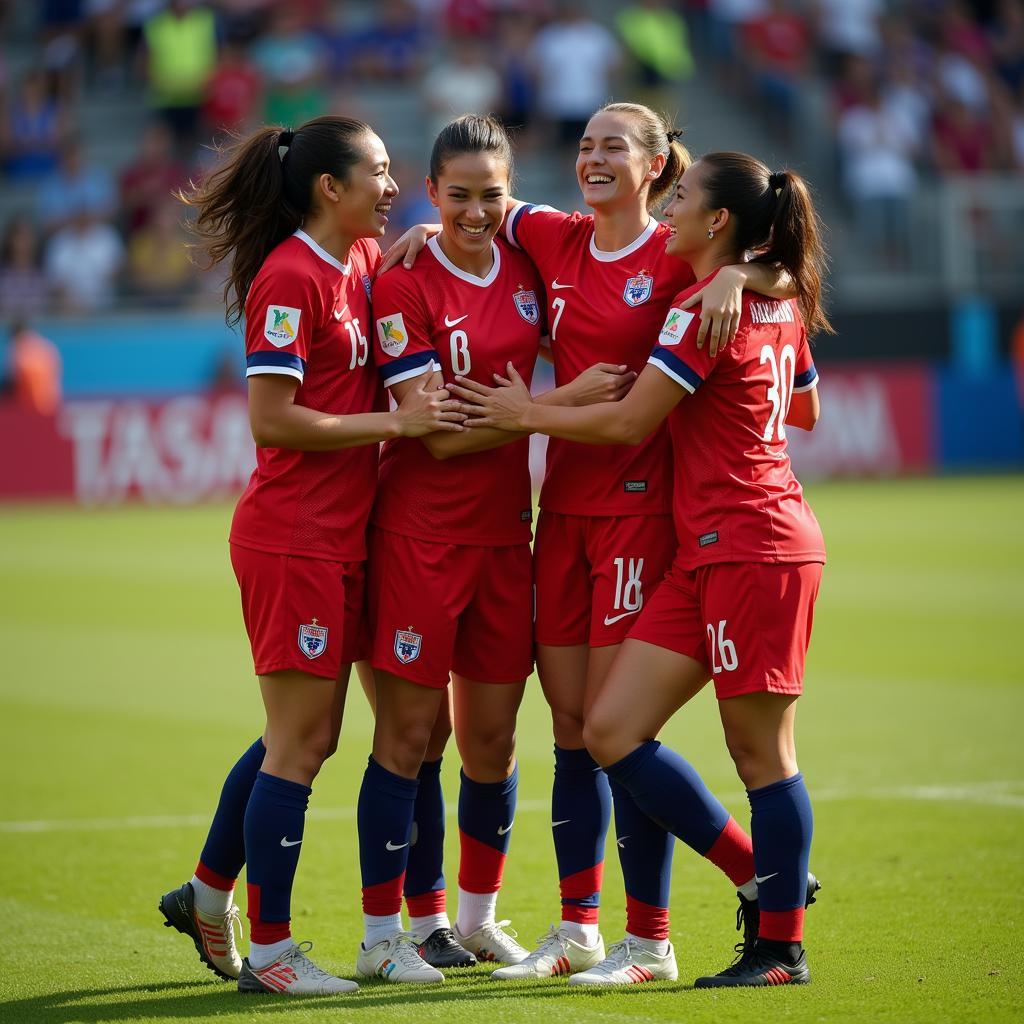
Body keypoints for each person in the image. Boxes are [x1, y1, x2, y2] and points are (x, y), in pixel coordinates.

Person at [386, 100, 800, 986]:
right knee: (573, 731)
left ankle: (652, 937)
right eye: (584, 144)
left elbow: (777, 259)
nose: (593, 157)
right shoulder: (556, 234)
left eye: (614, 145)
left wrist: (752, 277)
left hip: (641, 515)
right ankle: (578, 928)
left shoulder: (683, 252)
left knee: (620, 729)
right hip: (560, 514)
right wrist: (426, 228)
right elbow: (480, 205)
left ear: (657, 167)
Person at [158, 115, 465, 997]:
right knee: (303, 742)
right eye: (376, 170)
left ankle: (210, 895)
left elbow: (391, 264)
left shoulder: (360, 262)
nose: (393, 182)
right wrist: (395, 423)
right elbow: (273, 417)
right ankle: (273, 955)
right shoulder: (289, 276)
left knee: (304, 734)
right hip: (294, 536)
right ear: (330, 187)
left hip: (343, 537)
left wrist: (412, 241)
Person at [356, 114, 638, 984]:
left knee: (492, 742)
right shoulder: (405, 281)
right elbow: (432, 433)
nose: (476, 212)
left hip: (504, 538)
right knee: (409, 736)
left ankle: (473, 922)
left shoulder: (527, 265)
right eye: (459, 195)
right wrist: (543, 409)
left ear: (508, 194)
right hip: (418, 538)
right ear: (430, 190)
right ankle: (390, 934)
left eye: (491, 195)